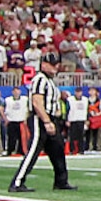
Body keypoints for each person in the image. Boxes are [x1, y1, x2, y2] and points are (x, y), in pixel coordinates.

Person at [9, 61, 74, 192]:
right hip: (39, 118)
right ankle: (17, 182)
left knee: (58, 149)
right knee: (34, 149)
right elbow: (37, 102)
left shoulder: (49, 81)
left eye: (56, 64)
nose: (55, 67)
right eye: (52, 64)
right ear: (44, 65)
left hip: (49, 118)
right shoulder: (40, 79)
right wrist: (46, 121)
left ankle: (61, 181)